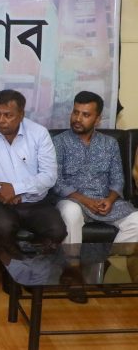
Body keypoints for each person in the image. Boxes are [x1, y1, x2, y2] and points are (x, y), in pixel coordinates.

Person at [0, 89, 65, 259]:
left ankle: (35, 263)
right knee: (3, 227)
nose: (0, 120)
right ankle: (10, 267)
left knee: (57, 230)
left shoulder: (39, 133)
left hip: (34, 202)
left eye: (8, 115)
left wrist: (16, 189)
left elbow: (49, 175)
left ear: (21, 114)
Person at [53, 91, 138, 244]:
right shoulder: (58, 142)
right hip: (73, 201)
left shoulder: (110, 143)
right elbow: (57, 182)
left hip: (105, 203)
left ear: (97, 119)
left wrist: (110, 200)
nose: (78, 119)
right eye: (76, 112)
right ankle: (72, 259)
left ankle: (110, 259)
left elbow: (118, 180)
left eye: (85, 115)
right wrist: (86, 200)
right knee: (71, 212)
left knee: (136, 221)